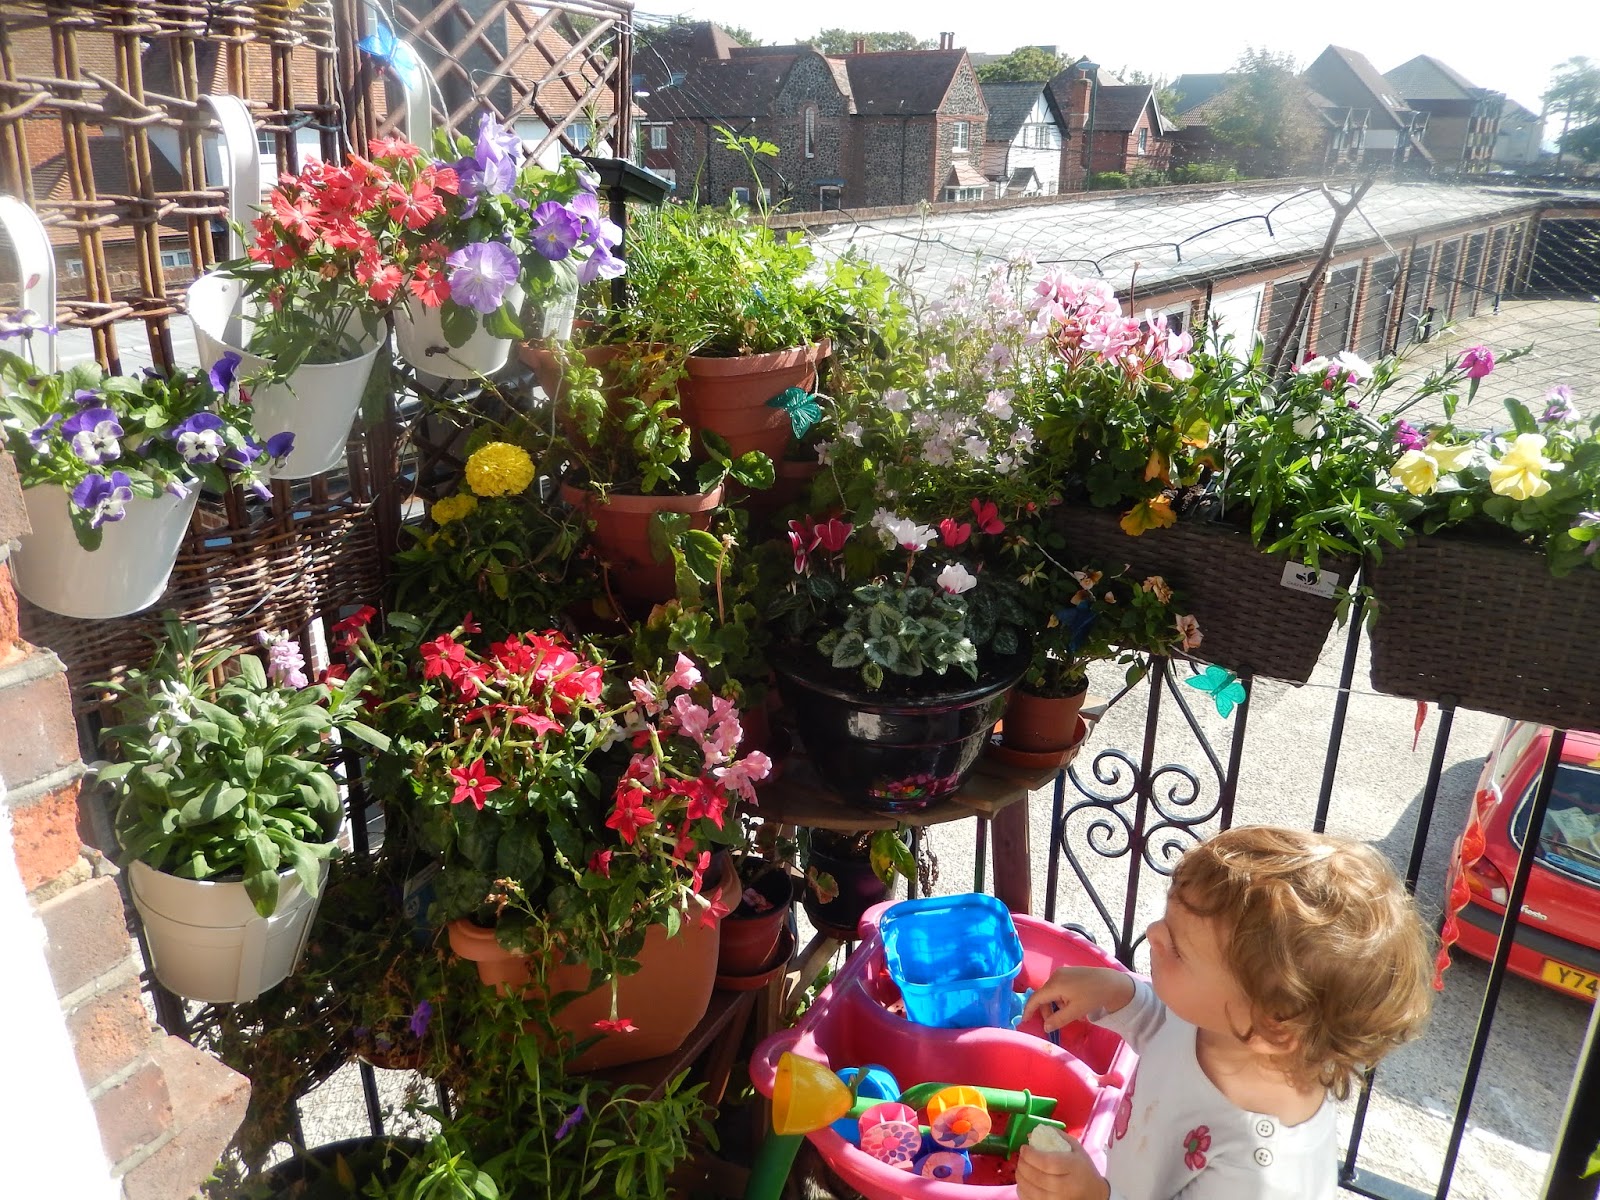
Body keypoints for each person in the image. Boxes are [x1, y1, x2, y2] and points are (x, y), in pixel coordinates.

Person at [1016, 825, 1434, 1200]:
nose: (1153, 934)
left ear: (1272, 1027)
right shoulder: (1225, 1027)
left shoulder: (1258, 1176)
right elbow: (1166, 1029)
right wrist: (1118, 992)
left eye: (1178, 949)